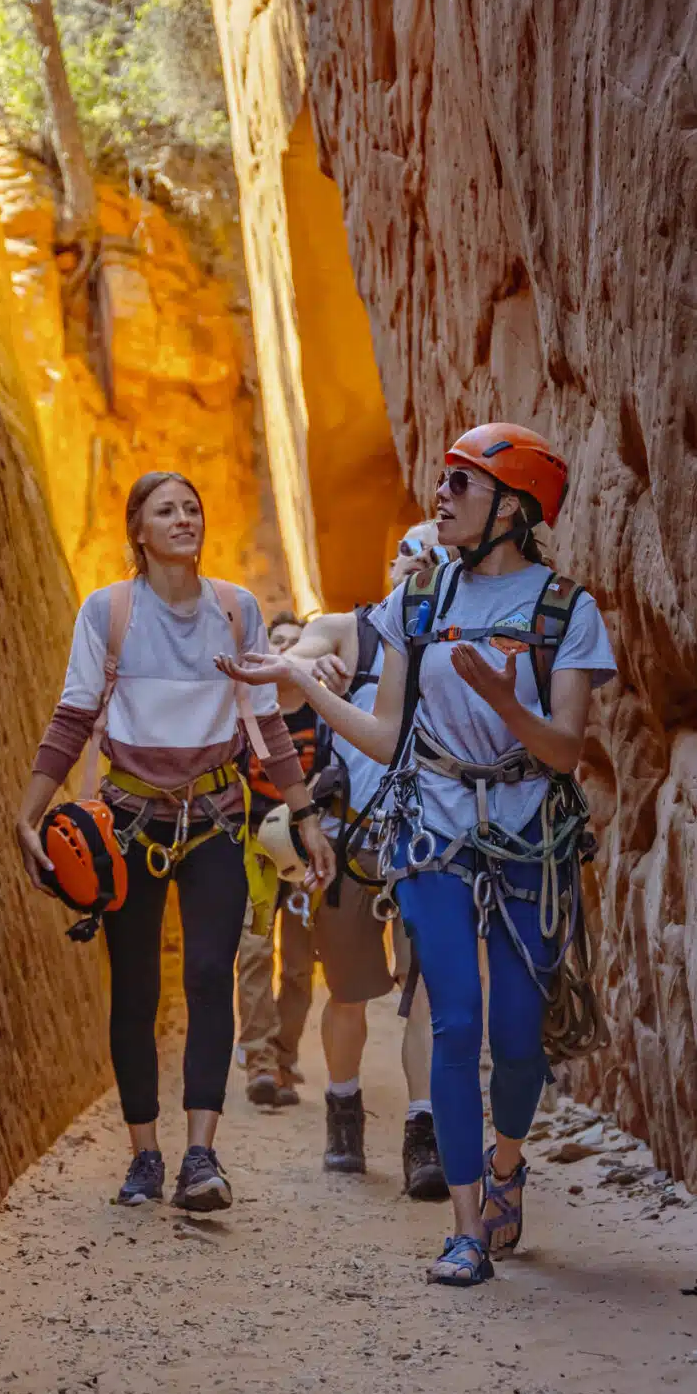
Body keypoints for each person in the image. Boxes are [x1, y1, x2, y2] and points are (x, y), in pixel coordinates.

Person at [221, 426, 613, 1285]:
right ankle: (468, 1228)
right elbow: (389, 732)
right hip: (433, 828)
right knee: (455, 1019)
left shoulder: (563, 611)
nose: (441, 497)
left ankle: (508, 1162)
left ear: (513, 508)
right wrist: (307, 687)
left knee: (516, 1038)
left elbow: (564, 752)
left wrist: (507, 704)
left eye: (461, 485)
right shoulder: (420, 602)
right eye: (443, 482)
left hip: (526, 834)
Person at [18, 472, 335, 1212]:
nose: (184, 518)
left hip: (216, 819)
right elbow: (73, 716)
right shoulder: (110, 613)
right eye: (167, 510)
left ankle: (200, 1154)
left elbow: (267, 725)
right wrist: (27, 813)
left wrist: (306, 813)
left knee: (206, 974)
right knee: (134, 989)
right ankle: (143, 1156)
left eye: (192, 507)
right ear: (139, 529)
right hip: (128, 822)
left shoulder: (236, 610)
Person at [281, 524, 449, 1194]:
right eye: (412, 549)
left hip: (429, 839)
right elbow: (288, 673)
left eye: (439, 555)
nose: (421, 561)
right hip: (353, 839)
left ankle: (423, 1130)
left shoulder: (454, 644)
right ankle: (343, 1106)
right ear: (392, 561)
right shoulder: (348, 632)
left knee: (430, 993)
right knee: (348, 993)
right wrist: (303, 667)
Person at [235, 615, 321, 1108]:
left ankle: (284, 1059)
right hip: (257, 852)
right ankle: (260, 1063)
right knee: (253, 952)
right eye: (279, 641)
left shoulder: (322, 714)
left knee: (297, 965)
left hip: (308, 854)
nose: (287, 650)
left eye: (296, 643)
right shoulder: (247, 714)